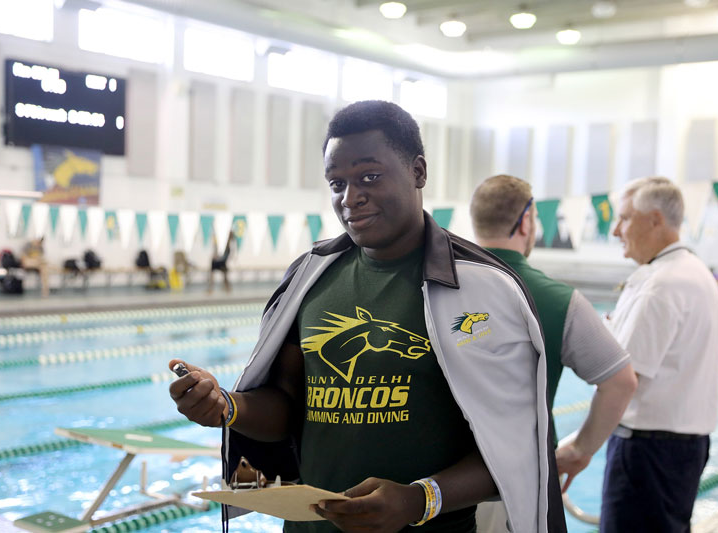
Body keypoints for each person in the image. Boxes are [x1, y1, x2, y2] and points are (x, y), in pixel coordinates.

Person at [169, 101, 567, 532]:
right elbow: (289, 407)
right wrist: (227, 406)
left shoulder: (483, 288)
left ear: (418, 171)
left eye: (369, 177)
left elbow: (518, 449)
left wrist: (419, 499)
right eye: (336, 182)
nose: (349, 197)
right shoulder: (310, 276)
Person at [470, 175, 637, 531]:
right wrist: (581, 450)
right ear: (527, 220)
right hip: (521, 488)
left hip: (436, 490)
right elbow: (621, 381)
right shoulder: (560, 301)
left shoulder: (430, 286)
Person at [602, 176, 718, 532]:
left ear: (655, 219)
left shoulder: (662, 284)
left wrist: (581, 446)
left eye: (624, 218)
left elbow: (622, 379)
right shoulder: (692, 271)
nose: (615, 230)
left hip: (647, 452)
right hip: (679, 449)